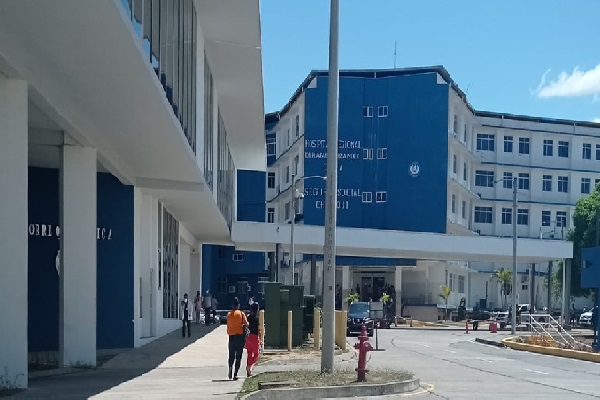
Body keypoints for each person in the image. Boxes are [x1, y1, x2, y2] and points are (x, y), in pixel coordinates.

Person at [226, 297, 248, 380]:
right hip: (240, 337)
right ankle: (235, 374)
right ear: (238, 305)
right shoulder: (241, 314)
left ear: (232, 305)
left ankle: (230, 367)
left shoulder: (229, 314)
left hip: (231, 337)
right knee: (238, 356)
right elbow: (247, 324)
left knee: (231, 355)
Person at [245, 302, 261, 376]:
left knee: (249, 354)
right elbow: (259, 329)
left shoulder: (248, 317)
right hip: (254, 337)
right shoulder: (257, 318)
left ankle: (249, 370)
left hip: (248, 337)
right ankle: (249, 366)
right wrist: (261, 339)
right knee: (256, 354)